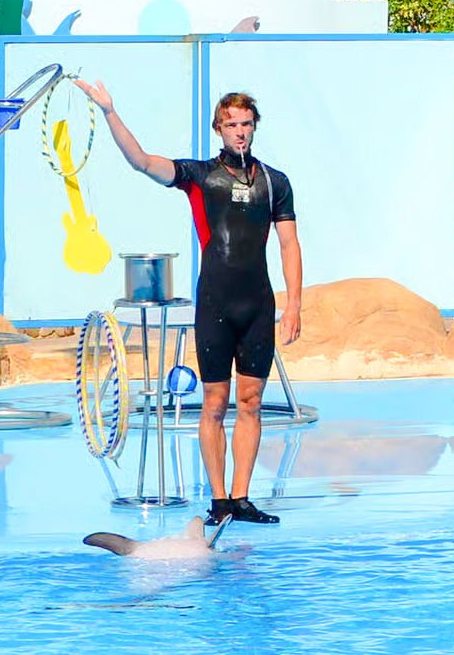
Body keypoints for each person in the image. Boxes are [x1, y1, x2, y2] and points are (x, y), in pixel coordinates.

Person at [74, 81, 303, 525]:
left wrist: (293, 305)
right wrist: (109, 111)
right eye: (232, 124)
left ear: (255, 128)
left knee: (251, 400)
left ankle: (241, 497)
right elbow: (141, 162)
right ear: (218, 128)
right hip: (215, 302)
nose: (240, 131)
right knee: (215, 401)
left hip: (257, 303)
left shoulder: (276, 183)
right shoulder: (199, 176)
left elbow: (289, 245)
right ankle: (218, 500)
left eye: (247, 124)